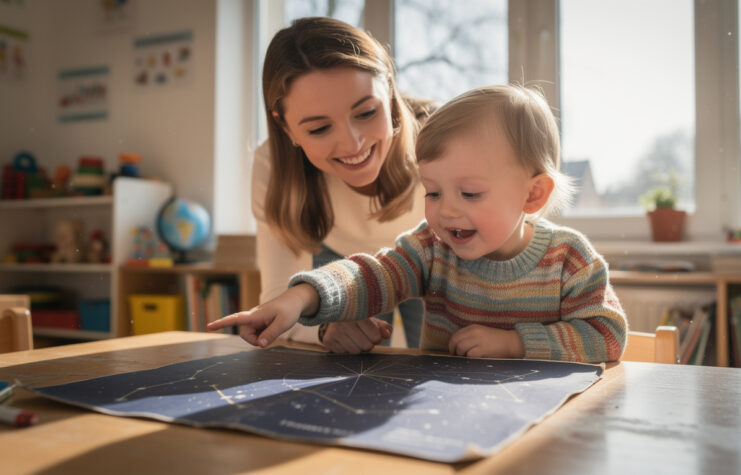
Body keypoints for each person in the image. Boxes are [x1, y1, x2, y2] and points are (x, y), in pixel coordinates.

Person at [212, 84, 628, 363]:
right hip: (446, 414)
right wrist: (300, 298)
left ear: (533, 195)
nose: (446, 211)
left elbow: (607, 335)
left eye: (469, 194)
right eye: (432, 192)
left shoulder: (570, 259)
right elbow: (370, 275)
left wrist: (515, 344)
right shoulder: (431, 247)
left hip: (546, 426)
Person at [251, 17, 433, 353]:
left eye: (365, 112)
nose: (352, 145)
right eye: (319, 129)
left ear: (389, 91)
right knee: (352, 362)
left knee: (446, 362)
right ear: (286, 127)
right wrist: (323, 328)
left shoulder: (444, 141)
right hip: (335, 259)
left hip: (434, 257)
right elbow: (279, 301)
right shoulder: (272, 166)